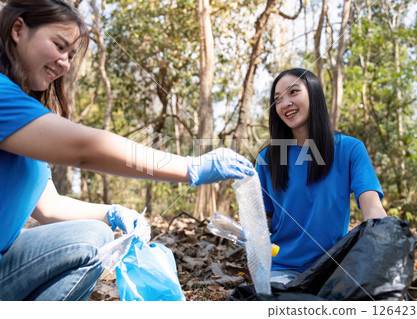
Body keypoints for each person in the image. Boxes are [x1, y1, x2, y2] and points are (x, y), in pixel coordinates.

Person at [0, 0, 255, 301]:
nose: (65, 62)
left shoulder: (24, 118)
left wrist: (112, 212)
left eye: (70, 55)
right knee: (92, 238)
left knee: (96, 232)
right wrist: (190, 168)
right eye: (59, 45)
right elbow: (86, 148)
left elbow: (49, 206)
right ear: (18, 29)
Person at [256, 68, 387, 284]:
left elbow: (372, 206)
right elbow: (264, 220)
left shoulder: (350, 149)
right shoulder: (267, 157)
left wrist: (384, 243)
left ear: (314, 94)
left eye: (293, 92)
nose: (284, 103)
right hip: (282, 268)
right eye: (277, 99)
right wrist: (251, 231)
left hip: (335, 267)